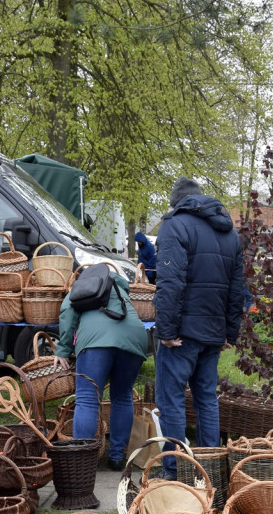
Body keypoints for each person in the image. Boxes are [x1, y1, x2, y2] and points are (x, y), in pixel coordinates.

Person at [154, 176, 244, 480]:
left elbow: (170, 281)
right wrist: (230, 333)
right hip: (212, 333)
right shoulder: (230, 234)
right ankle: (211, 473)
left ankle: (175, 473)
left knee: (172, 400)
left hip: (181, 334)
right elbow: (237, 289)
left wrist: (166, 331)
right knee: (206, 398)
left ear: (176, 202)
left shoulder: (174, 225)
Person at [52, 267, 148, 470]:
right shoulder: (121, 289)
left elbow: (67, 313)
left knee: (87, 398)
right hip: (135, 340)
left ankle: (82, 461)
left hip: (96, 343)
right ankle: (116, 457)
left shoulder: (83, 286)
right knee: (122, 397)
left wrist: (62, 350)